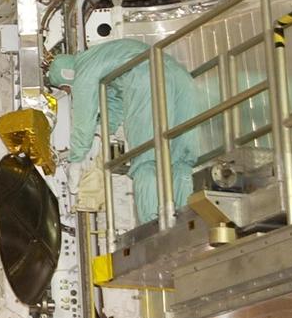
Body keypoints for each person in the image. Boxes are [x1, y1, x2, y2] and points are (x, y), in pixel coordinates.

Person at [47, 38, 200, 225]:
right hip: (182, 79)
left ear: (67, 74)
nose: (69, 91)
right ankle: (186, 223)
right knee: (180, 160)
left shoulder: (84, 68)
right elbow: (115, 104)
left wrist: (77, 160)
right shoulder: (105, 56)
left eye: (65, 87)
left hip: (146, 79)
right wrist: (99, 134)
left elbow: (83, 115)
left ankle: (154, 227)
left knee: (146, 160)